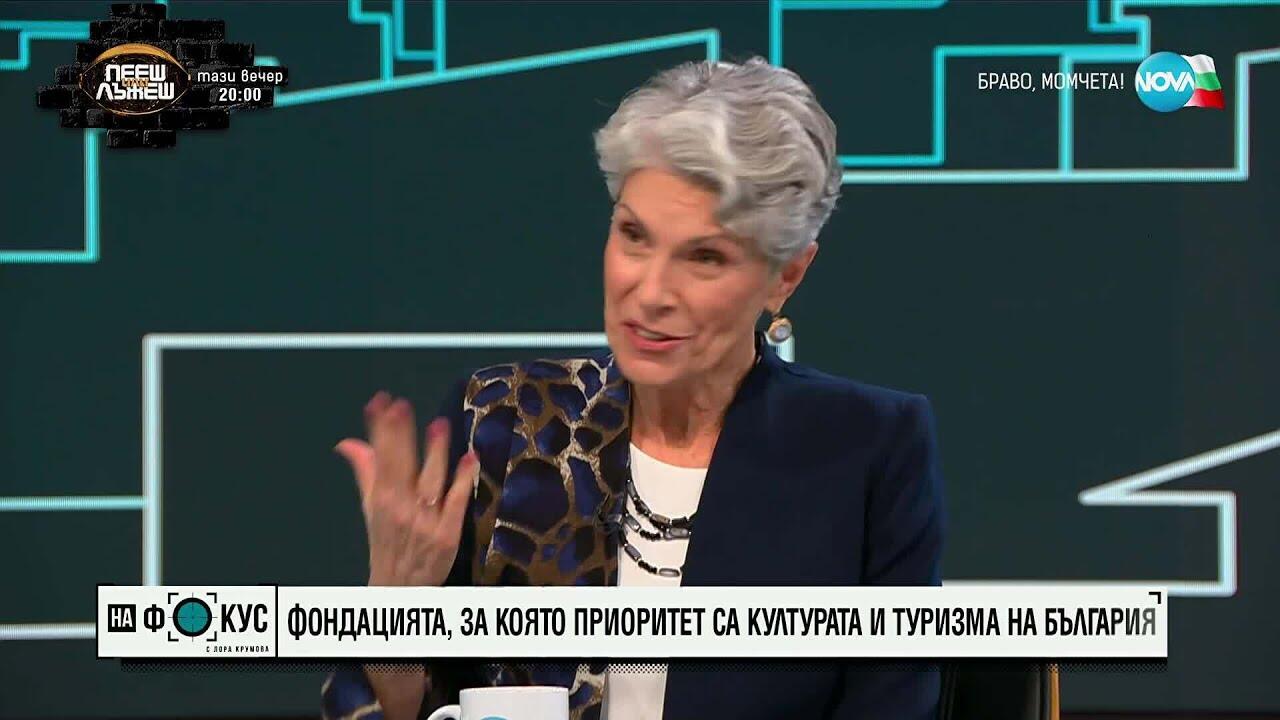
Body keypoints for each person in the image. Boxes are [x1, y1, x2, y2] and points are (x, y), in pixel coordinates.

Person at [321, 56, 945, 720]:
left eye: (704, 257)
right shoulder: (502, 423)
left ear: (785, 276)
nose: (649, 292)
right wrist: (392, 617)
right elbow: (385, 705)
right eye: (634, 236)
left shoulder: (868, 450)